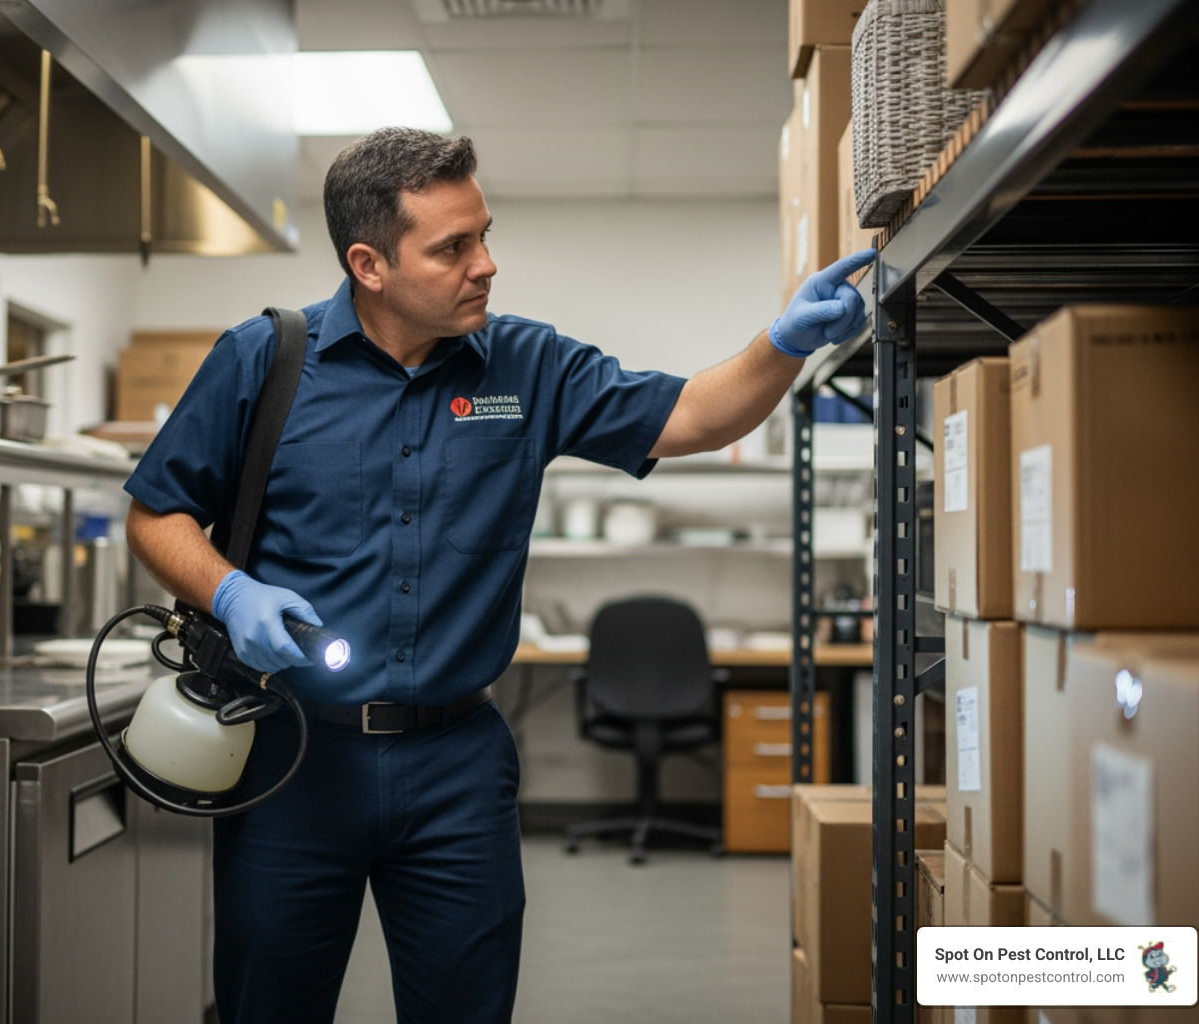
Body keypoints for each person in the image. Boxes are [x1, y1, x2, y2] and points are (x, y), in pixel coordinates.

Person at [124, 127, 874, 1024]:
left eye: (484, 235)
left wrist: (782, 344)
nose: (485, 264)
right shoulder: (265, 360)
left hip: (457, 768)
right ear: (369, 264)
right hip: (291, 760)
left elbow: (692, 416)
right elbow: (155, 513)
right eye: (453, 247)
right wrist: (228, 590)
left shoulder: (528, 365)